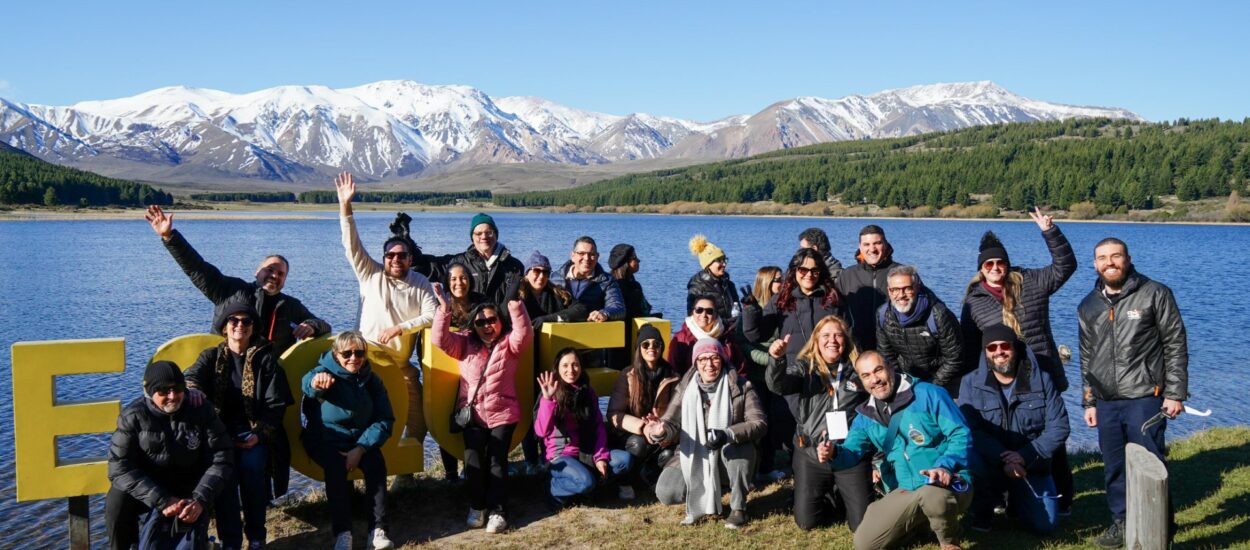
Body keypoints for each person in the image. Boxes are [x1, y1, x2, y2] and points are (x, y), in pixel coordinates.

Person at [960, 207, 1077, 513]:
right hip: (998, 376)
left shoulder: (1032, 282)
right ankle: (1003, 495)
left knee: (1052, 437)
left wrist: (1050, 231)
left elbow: (1065, 266)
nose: (995, 267)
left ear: (1006, 263)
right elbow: (971, 346)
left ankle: (1062, 497)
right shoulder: (974, 301)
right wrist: (973, 386)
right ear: (982, 268)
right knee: (1004, 432)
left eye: (1000, 262)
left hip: (1041, 371)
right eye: (989, 263)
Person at [1078, 238, 1188, 549]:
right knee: (1114, 467)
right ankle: (1121, 523)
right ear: (1095, 263)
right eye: (1102, 258)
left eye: (1115, 256)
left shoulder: (1155, 293)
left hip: (1146, 397)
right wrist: (1089, 400)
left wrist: (1175, 393)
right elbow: (1087, 356)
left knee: (1151, 465)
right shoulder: (1088, 304)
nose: (1109, 262)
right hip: (1106, 402)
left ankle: (1161, 525)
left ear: (1127, 259)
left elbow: (1175, 344)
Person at [335, 172, 438, 489]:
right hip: (365, 364)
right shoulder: (370, 274)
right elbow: (351, 245)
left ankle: (404, 473)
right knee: (358, 421)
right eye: (391, 255)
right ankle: (354, 478)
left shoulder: (419, 282)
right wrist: (345, 207)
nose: (396, 259)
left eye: (402, 255)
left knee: (418, 418)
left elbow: (432, 314)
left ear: (410, 258)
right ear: (384, 258)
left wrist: (400, 328)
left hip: (402, 365)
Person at [830, 351, 972, 550]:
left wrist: (945, 466)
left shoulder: (929, 394)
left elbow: (960, 434)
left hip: (946, 481)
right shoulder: (865, 416)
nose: (875, 380)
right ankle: (920, 526)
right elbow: (850, 454)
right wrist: (833, 453)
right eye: (866, 375)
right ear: (861, 381)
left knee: (933, 495)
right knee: (865, 543)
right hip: (906, 488)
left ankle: (949, 542)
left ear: (890, 367)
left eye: (878, 370)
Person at [144, 205, 330, 356]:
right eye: (270, 270)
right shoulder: (230, 290)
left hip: (268, 382)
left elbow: (323, 325)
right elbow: (196, 268)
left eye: (281, 274)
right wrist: (170, 237)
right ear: (257, 272)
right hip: (225, 373)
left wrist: (311, 326)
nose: (274, 276)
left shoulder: (290, 305)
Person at [185, 302, 293, 550]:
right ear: (224, 327)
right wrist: (194, 391)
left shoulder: (266, 360)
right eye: (234, 320)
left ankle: (256, 537)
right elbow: (192, 377)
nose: (240, 325)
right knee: (223, 478)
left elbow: (275, 405)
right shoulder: (211, 357)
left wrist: (259, 435)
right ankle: (230, 541)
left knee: (253, 470)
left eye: (246, 321)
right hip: (219, 435)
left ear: (253, 327)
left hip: (253, 433)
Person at [431, 291, 533, 534]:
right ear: (473, 325)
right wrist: (444, 309)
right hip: (474, 413)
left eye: (492, 320)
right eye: (480, 322)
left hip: (503, 411)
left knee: (497, 460)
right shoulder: (464, 343)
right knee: (473, 459)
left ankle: (498, 511)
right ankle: (477, 507)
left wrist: (515, 304)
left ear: (500, 321)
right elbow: (439, 340)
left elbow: (525, 332)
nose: (487, 326)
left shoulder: (510, 343)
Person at [106, 361, 232, 550]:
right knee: (117, 500)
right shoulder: (133, 416)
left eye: (178, 388)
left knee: (227, 483)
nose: (172, 396)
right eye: (163, 391)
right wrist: (163, 500)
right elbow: (118, 468)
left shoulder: (201, 409)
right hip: (152, 487)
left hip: (192, 485)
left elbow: (222, 456)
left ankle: (232, 544)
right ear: (149, 392)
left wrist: (201, 498)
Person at [958, 324, 1069, 535]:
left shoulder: (1042, 379)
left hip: (1030, 463)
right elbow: (970, 428)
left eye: (1004, 345)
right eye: (991, 348)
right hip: (991, 462)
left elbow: (1059, 426)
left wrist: (1024, 456)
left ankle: (1018, 501)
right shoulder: (970, 383)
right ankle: (982, 511)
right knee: (970, 456)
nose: (999, 352)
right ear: (985, 353)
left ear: (1015, 348)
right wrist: (1003, 458)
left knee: (1045, 526)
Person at [765, 315, 872, 531]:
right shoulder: (806, 368)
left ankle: (846, 493)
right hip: (811, 452)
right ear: (816, 340)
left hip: (848, 452)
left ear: (846, 340)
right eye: (826, 335)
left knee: (861, 525)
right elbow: (778, 386)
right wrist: (777, 360)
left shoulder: (858, 370)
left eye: (838, 335)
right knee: (806, 522)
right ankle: (830, 494)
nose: (832, 340)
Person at [646, 338, 766, 529]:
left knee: (739, 451)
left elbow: (759, 423)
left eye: (714, 358)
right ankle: (709, 491)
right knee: (666, 492)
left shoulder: (742, 386)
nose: (709, 365)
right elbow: (671, 422)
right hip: (695, 454)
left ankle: (738, 508)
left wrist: (727, 434)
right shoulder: (685, 388)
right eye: (702, 359)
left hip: (729, 451)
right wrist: (660, 431)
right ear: (696, 363)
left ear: (723, 361)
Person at [301, 331, 396, 550]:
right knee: (335, 468)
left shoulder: (372, 381)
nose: (353, 358)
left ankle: (378, 530)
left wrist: (361, 448)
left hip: (359, 440)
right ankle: (343, 533)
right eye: (347, 353)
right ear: (336, 355)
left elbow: (385, 418)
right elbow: (307, 384)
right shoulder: (324, 372)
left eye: (359, 352)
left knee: (376, 464)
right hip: (326, 440)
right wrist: (315, 382)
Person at [534, 348, 631, 505]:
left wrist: (600, 456)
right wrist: (547, 400)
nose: (571, 370)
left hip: (586, 451)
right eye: (565, 366)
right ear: (557, 368)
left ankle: (586, 486)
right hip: (561, 455)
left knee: (624, 460)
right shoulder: (550, 393)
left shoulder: (587, 392)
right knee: (586, 482)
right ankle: (553, 488)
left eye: (575, 365)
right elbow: (541, 431)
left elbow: (598, 426)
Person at [607, 324, 680, 499]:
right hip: (632, 433)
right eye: (645, 344)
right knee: (637, 444)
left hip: (660, 431)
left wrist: (665, 429)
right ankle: (627, 480)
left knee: (668, 454)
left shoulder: (673, 377)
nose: (651, 348)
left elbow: (679, 414)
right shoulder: (628, 375)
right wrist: (643, 427)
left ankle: (650, 477)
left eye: (656, 344)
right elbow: (614, 414)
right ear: (639, 348)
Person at [875, 264, 963, 389]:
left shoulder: (938, 315)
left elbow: (954, 358)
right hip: (907, 381)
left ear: (917, 287)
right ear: (889, 291)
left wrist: (931, 386)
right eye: (895, 289)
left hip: (942, 381)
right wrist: (902, 382)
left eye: (907, 288)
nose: (901, 295)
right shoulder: (883, 314)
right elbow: (886, 354)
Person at [736, 266, 786, 481]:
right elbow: (745, 345)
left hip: (780, 374)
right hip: (758, 377)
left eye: (783, 280)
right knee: (759, 423)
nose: (782, 284)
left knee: (777, 422)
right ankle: (755, 468)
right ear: (765, 283)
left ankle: (767, 465)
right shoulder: (751, 311)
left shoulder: (785, 309)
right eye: (777, 280)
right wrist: (771, 359)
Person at [835, 224, 900, 352]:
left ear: (885, 244)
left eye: (877, 243)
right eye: (866, 244)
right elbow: (835, 312)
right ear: (860, 247)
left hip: (894, 348)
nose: (872, 249)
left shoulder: (901, 274)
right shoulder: (847, 275)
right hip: (857, 348)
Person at [439, 213, 526, 305]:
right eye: (478, 233)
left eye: (489, 232)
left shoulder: (515, 266)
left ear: (496, 235)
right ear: (472, 237)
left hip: (504, 318)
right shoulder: (459, 263)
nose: (484, 237)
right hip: (470, 318)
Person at [669, 295, 744, 376]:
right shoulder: (680, 339)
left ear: (716, 314)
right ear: (693, 312)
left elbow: (741, 369)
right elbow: (674, 371)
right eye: (699, 310)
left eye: (709, 311)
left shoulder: (727, 337)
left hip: (725, 385)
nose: (704, 314)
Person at [557, 236, 625, 323]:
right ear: (572, 256)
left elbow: (618, 308)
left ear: (597, 257)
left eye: (591, 254)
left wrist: (604, 313)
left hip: (590, 331)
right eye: (581, 253)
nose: (587, 258)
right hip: (558, 329)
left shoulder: (607, 281)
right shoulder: (556, 277)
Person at [519, 251, 589, 327]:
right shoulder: (516, 293)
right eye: (537, 271)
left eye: (546, 272)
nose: (541, 276)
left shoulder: (559, 293)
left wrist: (550, 318)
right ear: (526, 273)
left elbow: (582, 310)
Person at [686, 234, 740, 323]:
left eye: (724, 260)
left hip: (731, 333)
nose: (724, 264)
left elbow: (738, 311)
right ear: (708, 264)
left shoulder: (729, 285)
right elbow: (693, 318)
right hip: (710, 333)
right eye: (719, 261)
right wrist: (724, 323)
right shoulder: (698, 287)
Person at [608, 243, 654, 319]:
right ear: (625, 263)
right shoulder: (633, 287)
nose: (638, 261)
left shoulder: (608, 282)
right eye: (635, 258)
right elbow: (641, 312)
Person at [446, 262, 486, 329]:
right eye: (453, 279)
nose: (459, 283)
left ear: (470, 280)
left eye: (463, 278)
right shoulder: (441, 305)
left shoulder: (483, 302)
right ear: (447, 283)